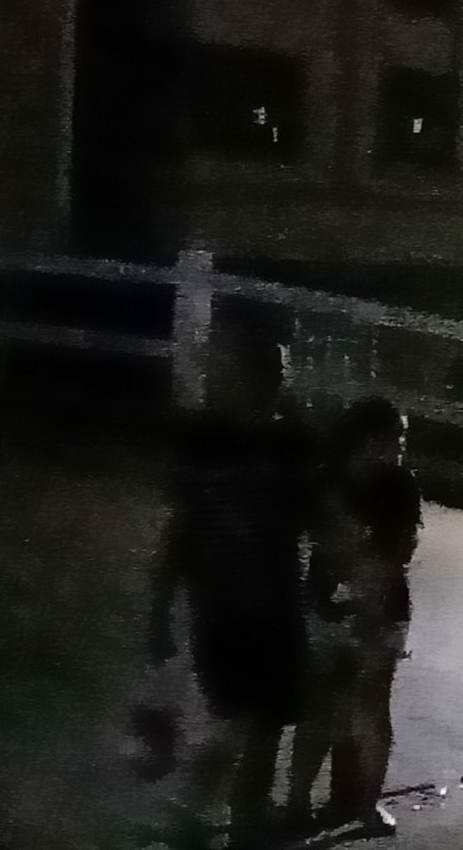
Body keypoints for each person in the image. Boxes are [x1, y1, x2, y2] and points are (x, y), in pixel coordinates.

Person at [149, 321, 315, 850]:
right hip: (227, 606)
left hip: (272, 604)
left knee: (264, 722)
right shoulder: (212, 442)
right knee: (240, 720)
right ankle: (199, 812)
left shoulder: (290, 443)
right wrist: (160, 607)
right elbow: (181, 529)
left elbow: (311, 521)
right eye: (267, 372)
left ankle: (237, 819)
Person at [287, 397, 424, 839]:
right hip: (344, 607)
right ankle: (306, 802)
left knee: (367, 711)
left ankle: (359, 805)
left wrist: (362, 585)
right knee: (326, 709)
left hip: (372, 609)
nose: (401, 447)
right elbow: (325, 544)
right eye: (395, 438)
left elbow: (400, 551)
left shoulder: (393, 484)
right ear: (368, 439)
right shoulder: (330, 483)